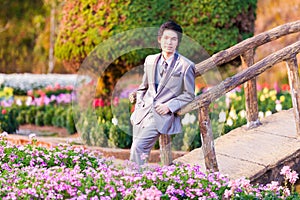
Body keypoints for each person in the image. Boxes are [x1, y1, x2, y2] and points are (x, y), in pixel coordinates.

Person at [130, 20, 195, 167]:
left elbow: (189, 94)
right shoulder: (150, 60)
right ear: (160, 40)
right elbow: (143, 87)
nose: (169, 42)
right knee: (139, 154)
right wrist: (139, 106)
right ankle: (140, 184)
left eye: (174, 39)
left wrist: (169, 106)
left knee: (138, 147)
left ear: (178, 42)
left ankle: (132, 184)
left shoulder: (186, 66)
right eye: (166, 38)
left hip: (161, 115)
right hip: (142, 113)